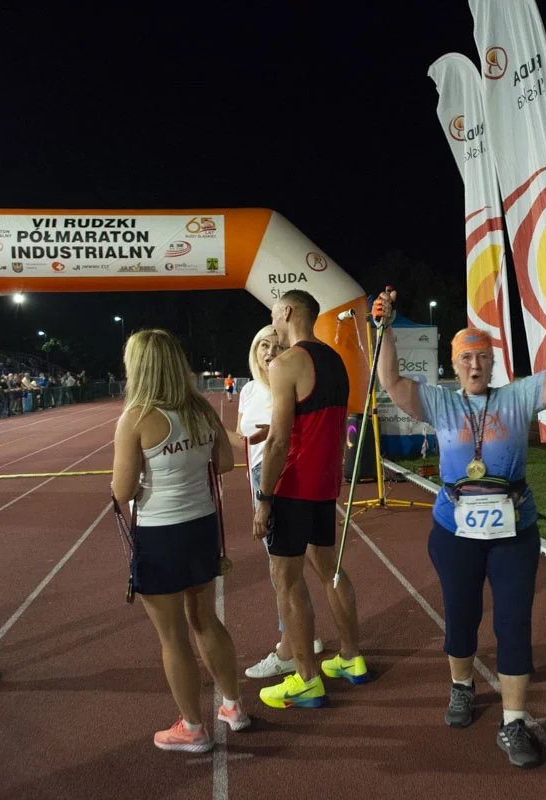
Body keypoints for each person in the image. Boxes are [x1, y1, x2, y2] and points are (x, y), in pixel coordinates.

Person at [373, 286, 546, 769]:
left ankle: (513, 721)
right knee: (461, 616)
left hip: (514, 533)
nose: (475, 365)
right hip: (455, 533)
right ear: (454, 365)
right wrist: (385, 329)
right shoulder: (439, 403)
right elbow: (391, 380)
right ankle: (461, 686)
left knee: (513, 622)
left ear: (494, 364)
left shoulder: (517, 397)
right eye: (466, 358)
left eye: (483, 357)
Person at [112, 329, 249, 752]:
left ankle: (192, 727)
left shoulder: (135, 418)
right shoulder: (201, 409)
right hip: (201, 525)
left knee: (173, 636)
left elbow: (122, 490)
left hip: (160, 533)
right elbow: (225, 463)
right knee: (206, 620)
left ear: (139, 367)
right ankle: (233, 706)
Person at [252, 289, 366, 709]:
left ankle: (305, 678)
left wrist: (264, 497)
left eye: (273, 314)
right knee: (329, 570)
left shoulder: (287, 363)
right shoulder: (334, 359)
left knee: (287, 580)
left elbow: (279, 441)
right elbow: (322, 423)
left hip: (293, 486)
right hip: (324, 484)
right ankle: (351, 657)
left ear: (286, 311)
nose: (273, 322)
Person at [237, 325, 324, 678]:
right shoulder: (248, 390)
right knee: (285, 570)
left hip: (281, 478)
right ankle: (304, 638)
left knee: (284, 571)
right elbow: (244, 437)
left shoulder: (288, 383)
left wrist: (266, 495)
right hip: (258, 478)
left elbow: (283, 439)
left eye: (276, 346)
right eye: (263, 345)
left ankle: (290, 649)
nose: (269, 352)